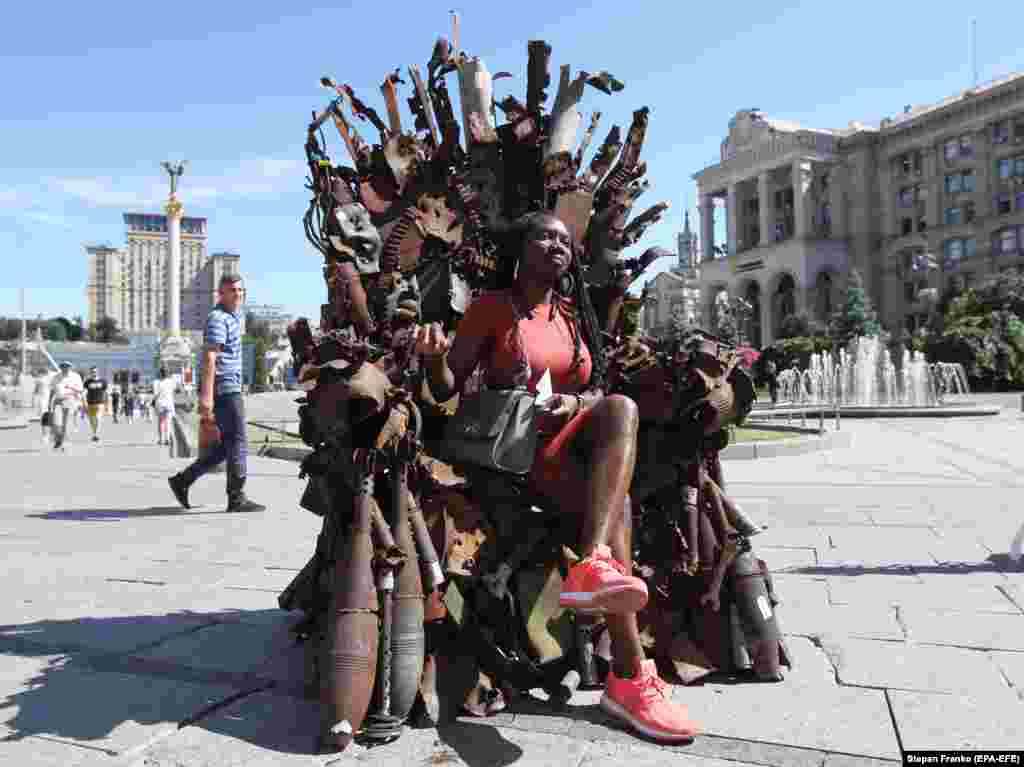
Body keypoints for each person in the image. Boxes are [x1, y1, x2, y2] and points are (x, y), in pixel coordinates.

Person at [414, 212, 699, 742]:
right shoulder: (494, 309)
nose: (557, 245)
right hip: (513, 460)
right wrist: (432, 360)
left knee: (617, 409)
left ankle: (597, 580)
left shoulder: (572, 315)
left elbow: (596, 393)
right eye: (544, 236)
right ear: (520, 249)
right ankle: (630, 678)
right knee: (620, 501)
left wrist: (573, 401)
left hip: (565, 452)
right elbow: (449, 382)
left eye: (565, 240)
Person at [168, 274, 265, 513]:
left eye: (240, 290)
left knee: (228, 445)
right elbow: (210, 357)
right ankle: (236, 497)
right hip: (225, 388)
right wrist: (206, 396)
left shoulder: (234, 317)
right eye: (232, 290)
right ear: (220, 294)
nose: (237, 294)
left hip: (230, 387)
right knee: (238, 441)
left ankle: (183, 480)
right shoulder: (218, 318)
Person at [48, 362, 84, 451]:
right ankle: (59, 439)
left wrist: (71, 389)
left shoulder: (75, 377)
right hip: (58, 401)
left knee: (65, 423)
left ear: (70, 368)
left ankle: (62, 442)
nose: (65, 368)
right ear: (60, 368)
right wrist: (49, 402)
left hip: (70, 400)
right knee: (56, 423)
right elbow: (52, 390)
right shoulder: (56, 377)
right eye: (63, 367)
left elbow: (80, 390)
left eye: (67, 367)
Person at [82, 366, 109, 443]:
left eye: (95, 371)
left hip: (100, 403)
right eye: (92, 371)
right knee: (91, 420)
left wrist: (107, 405)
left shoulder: (103, 381)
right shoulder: (87, 382)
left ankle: (96, 434)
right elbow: (84, 392)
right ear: (90, 372)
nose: (94, 373)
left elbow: (106, 393)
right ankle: (94, 434)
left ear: (98, 372)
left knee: (97, 418)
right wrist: (84, 402)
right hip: (90, 403)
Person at [152, 367, 176, 445]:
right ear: (167, 374)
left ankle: (161, 439)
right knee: (168, 422)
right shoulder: (171, 381)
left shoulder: (156, 382)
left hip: (160, 403)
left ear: (160, 373)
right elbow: (174, 389)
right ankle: (167, 439)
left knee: (161, 422)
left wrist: (153, 401)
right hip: (169, 403)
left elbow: (155, 394)